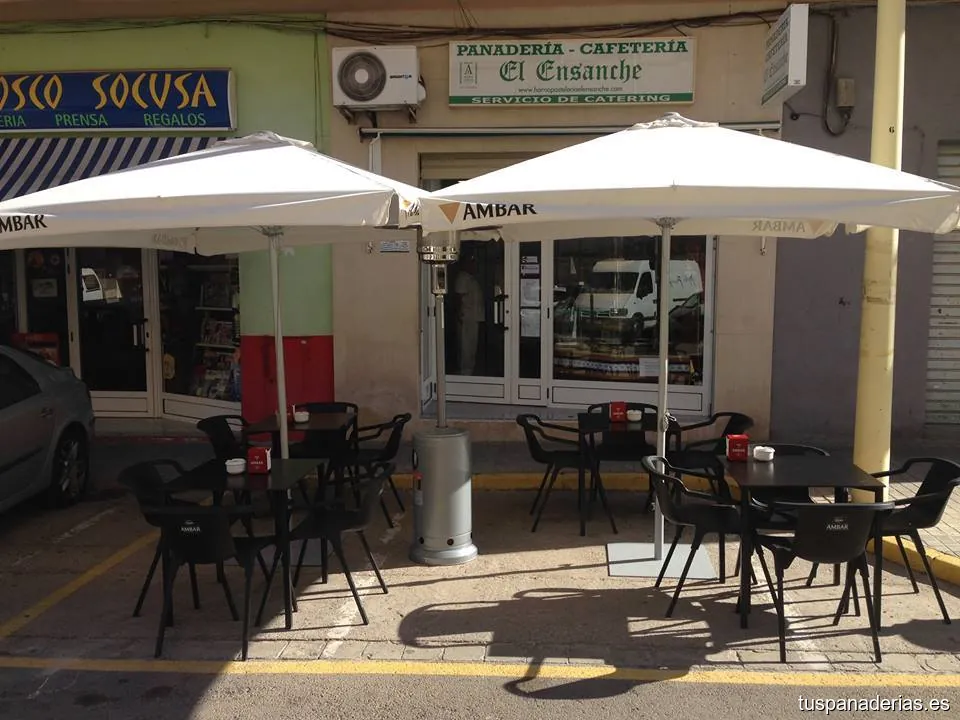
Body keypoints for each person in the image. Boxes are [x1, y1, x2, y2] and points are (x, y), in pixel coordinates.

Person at [454, 254, 484, 375]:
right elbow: (458, 297)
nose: (474, 265)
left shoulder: (471, 278)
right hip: (466, 317)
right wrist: (459, 314)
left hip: (473, 317)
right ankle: (465, 372)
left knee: (471, 345)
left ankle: (469, 370)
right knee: (466, 346)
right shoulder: (463, 278)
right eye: (472, 262)